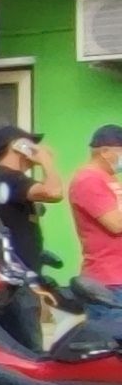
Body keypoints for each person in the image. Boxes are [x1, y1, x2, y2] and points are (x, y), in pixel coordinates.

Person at [0, 125, 62, 274]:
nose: (35, 148)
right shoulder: (9, 178)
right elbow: (54, 192)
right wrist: (46, 161)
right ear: (19, 146)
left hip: (14, 271)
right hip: (17, 275)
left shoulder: (1, 178)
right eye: (31, 144)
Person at [68, 125, 122, 302]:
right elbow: (116, 224)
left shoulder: (109, 178)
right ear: (105, 152)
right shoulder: (88, 179)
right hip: (109, 282)